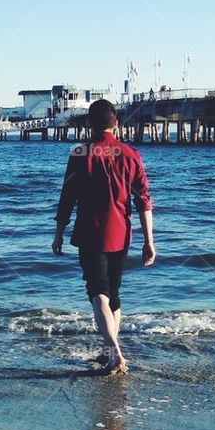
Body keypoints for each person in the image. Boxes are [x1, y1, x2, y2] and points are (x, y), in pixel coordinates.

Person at [52, 98, 155, 374]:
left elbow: (67, 199)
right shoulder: (131, 154)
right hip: (121, 235)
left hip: (90, 234)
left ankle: (114, 352)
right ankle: (109, 350)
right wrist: (149, 241)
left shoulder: (79, 154)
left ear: (89, 124)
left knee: (98, 293)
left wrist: (58, 233)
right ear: (116, 124)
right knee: (113, 295)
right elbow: (143, 201)